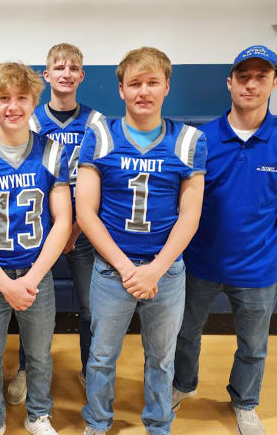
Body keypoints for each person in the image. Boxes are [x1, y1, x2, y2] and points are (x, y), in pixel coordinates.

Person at [173, 45, 277, 435]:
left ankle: (244, 402)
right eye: (243, 77)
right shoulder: (199, 139)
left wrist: (258, 233)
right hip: (198, 263)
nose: (251, 85)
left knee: (253, 345)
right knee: (184, 334)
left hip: (257, 268)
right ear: (230, 82)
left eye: (260, 77)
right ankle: (182, 385)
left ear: (274, 82)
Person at [76, 47, 207, 435]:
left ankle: (158, 423)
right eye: (135, 83)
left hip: (165, 270)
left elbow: (191, 214)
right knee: (101, 356)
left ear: (167, 86)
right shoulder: (99, 135)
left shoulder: (188, 140)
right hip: (112, 269)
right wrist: (127, 268)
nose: (143, 91)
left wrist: (155, 269)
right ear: (121, 90)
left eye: (152, 83)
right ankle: (97, 422)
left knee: (162, 359)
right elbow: (86, 212)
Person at [0, 62, 71, 435]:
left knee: (39, 353)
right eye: (4, 97)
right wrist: (6, 284)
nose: (13, 106)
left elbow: (63, 222)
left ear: (34, 101)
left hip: (36, 274)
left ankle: (38, 414)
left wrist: (33, 277)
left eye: (22, 97)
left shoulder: (52, 153)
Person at [6, 43, 104, 404]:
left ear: (81, 76)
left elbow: (100, 179)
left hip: (84, 230)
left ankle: (90, 369)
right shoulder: (29, 119)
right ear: (46, 75)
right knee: (28, 301)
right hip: (37, 230)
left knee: (92, 306)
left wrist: (75, 226)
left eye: (73, 67)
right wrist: (54, 228)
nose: (66, 73)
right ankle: (27, 369)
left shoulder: (95, 122)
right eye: (58, 67)